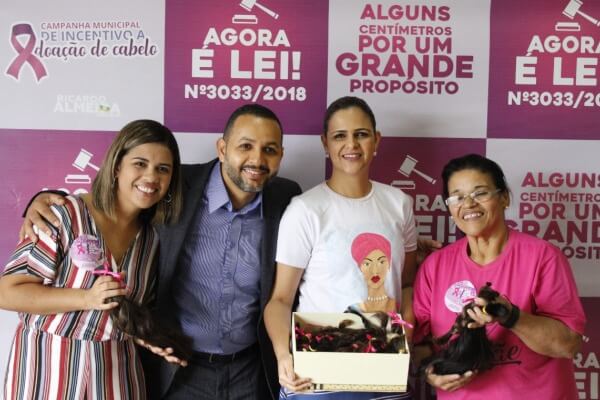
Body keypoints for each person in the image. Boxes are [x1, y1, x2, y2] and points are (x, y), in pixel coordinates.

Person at [20, 104, 302, 400]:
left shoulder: (286, 197)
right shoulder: (177, 185)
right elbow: (119, 200)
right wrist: (46, 199)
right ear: (222, 149)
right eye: (245, 146)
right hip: (176, 368)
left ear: (280, 155)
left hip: (249, 371)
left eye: (269, 149)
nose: (257, 159)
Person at [0, 120, 183, 399]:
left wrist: (153, 339)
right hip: (47, 371)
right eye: (140, 163)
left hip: (117, 374)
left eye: (163, 169)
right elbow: (7, 293)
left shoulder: (152, 239)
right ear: (117, 167)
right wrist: (86, 298)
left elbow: (131, 313)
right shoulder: (64, 214)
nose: (151, 177)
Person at [264, 96, 417, 399]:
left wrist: (407, 336)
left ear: (376, 139)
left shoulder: (399, 204)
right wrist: (284, 355)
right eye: (339, 136)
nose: (352, 145)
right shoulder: (305, 210)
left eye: (361, 134)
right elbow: (280, 300)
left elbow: (407, 284)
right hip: (316, 379)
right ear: (325, 143)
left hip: (385, 373)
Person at [412, 153, 586, 399]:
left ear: (504, 198)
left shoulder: (543, 257)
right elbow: (420, 344)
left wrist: (510, 316)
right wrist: (430, 371)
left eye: (480, 193)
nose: (469, 204)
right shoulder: (434, 266)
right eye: (457, 197)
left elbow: (567, 344)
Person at [351, 232, 396, 312]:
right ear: (359, 267)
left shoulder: (395, 304)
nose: (375, 272)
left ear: (389, 263)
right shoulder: (353, 307)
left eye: (381, 262)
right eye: (367, 264)